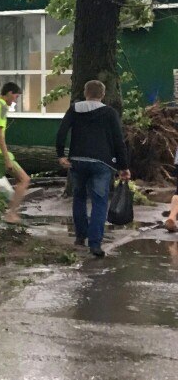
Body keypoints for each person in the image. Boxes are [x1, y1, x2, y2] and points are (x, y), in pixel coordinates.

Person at [56, 79, 129, 258]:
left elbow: (62, 132)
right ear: (102, 95)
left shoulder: (74, 109)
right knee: (99, 202)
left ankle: (80, 236)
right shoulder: (109, 113)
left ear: (85, 92)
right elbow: (118, 141)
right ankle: (95, 244)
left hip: (78, 161)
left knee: (79, 198)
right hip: (102, 163)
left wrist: (61, 155)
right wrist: (123, 166)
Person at [0, 82, 31, 225]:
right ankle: (11, 214)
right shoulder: (2, 107)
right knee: (24, 179)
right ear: (8, 93)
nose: (16, 100)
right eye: (16, 96)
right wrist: (7, 158)